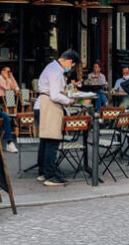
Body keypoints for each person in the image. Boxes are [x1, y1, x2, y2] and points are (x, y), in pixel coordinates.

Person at [36, 49, 80, 187]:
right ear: (68, 61)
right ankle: (50, 175)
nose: (70, 68)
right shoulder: (56, 71)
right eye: (72, 65)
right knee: (52, 140)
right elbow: (55, 95)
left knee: (45, 140)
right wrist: (68, 100)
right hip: (50, 104)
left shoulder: (51, 67)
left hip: (43, 104)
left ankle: (43, 171)